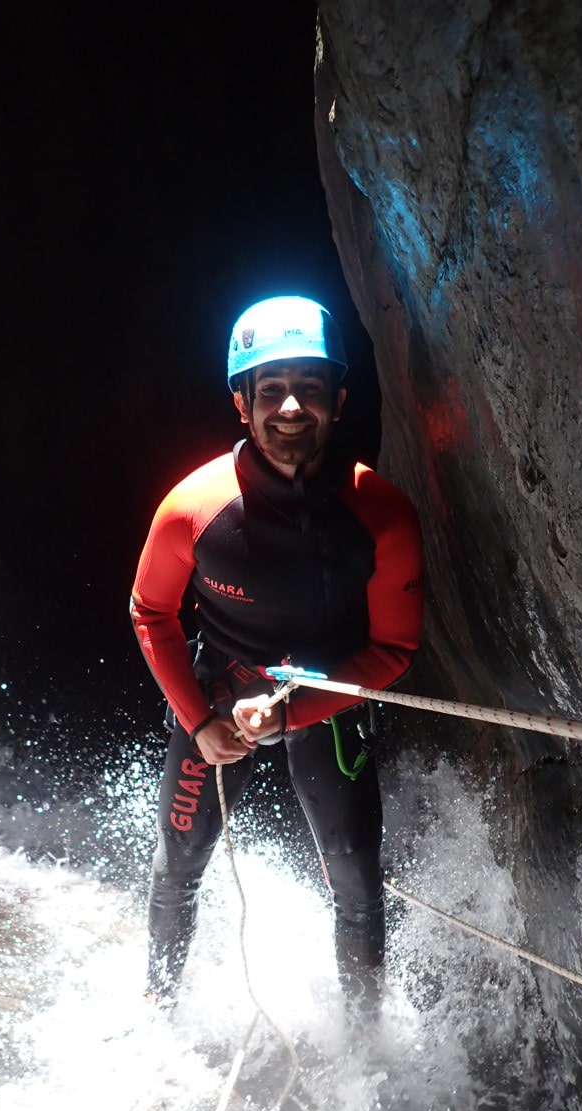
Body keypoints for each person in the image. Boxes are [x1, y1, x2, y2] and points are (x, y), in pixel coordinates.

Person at [130, 295, 424, 1020]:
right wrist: (200, 722)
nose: (291, 406)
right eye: (271, 390)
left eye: (309, 387)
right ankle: (157, 1012)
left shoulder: (381, 515)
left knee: (359, 886)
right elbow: (151, 613)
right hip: (218, 694)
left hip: (327, 698)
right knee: (179, 866)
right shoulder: (194, 509)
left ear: (338, 400)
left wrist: (295, 710)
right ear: (242, 403)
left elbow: (392, 649)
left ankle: (366, 1045)